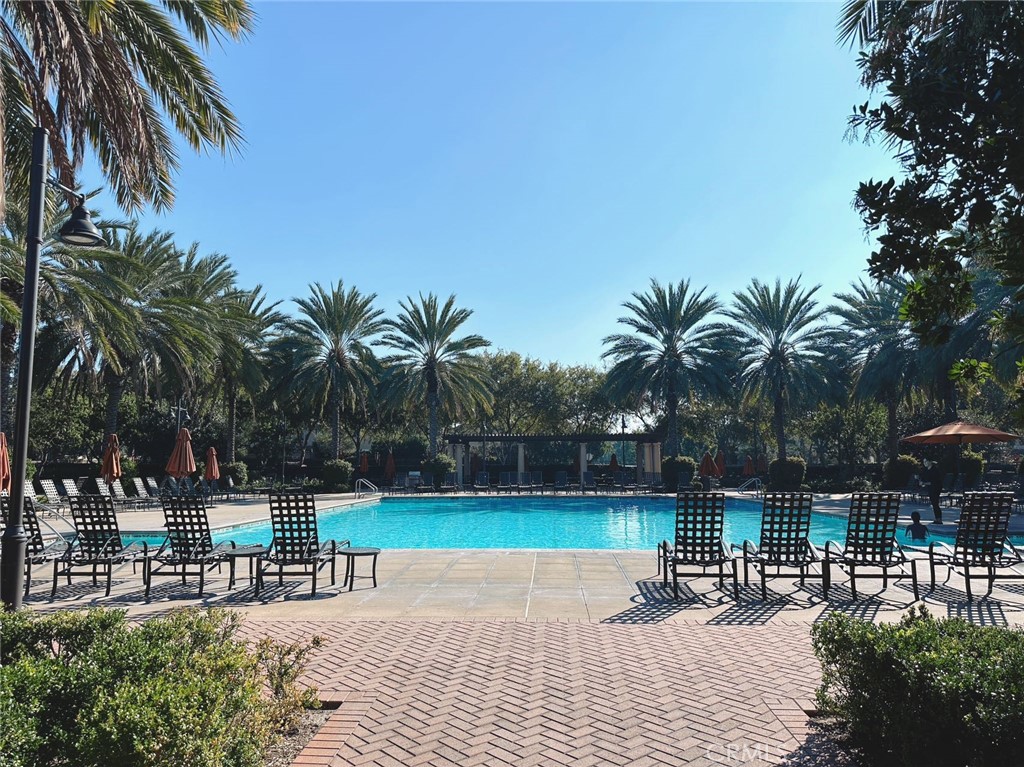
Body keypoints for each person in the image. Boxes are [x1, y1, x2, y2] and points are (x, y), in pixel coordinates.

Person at [923, 458, 944, 524]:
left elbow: (934, 481)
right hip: (931, 488)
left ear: (930, 462)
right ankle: (937, 518)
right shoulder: (927, 470)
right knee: (934, 503)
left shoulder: (934, 470)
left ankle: (939, 519)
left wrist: (924, 483)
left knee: (935, 503)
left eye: (926, 461)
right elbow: (926, 480)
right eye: (924, 462)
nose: (924, 463)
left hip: (936, 488)